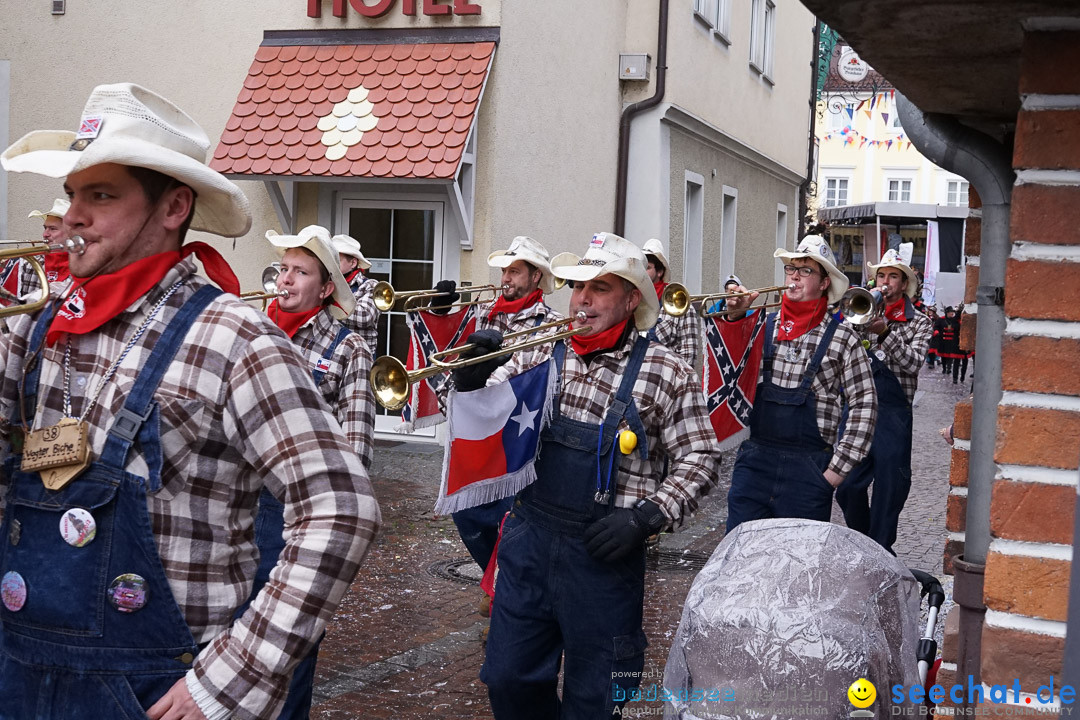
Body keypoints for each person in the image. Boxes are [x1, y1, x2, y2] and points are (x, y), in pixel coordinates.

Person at [0, 83, 380, 720]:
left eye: (101, 195)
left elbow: (340, 509)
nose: (71, 218)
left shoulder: (234, 336)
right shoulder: (31, 327)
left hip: (154, 690)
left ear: (174, 206)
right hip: (19, 670)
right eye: (71, 194)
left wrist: (227, 683)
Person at [460, 232, 721, 718]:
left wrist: (646, 517)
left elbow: (701, 457)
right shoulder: (539, 352)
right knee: (507, 678)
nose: (582, 299)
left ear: (631, 298)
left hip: (605, 558)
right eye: (579, 287)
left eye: (600, 288)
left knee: (598, 698)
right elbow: (486, 417)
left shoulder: (668, 371)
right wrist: (471, 381)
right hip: (528, 546)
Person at [237, 224, 375, 719]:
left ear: (325, 288)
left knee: (288, 641)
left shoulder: (349, 349)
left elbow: (355, 454)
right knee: (224, 626)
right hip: (235, 498)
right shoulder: (249, 330)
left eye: (301, 271)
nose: (286, 280)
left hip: (292, 508)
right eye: (284, 268)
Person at [724, 235, 877, 531]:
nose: (794, 276)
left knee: (797, 569)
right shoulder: (762, 324)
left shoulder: (843, 337)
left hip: (809, 470)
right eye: (791, 268)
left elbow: (864, 404)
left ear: (824, 283)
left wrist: (835, 472)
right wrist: (735, 315)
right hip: (755, 464)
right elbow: (728, 367)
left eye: (806, 270)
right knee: (740, 560)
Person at [446, 236, 563, 612]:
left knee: (509, 518)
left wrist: (487, 377)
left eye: (515, 271)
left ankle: (503, 594)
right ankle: (495, 580)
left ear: (535, 277)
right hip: (483, 428)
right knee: (467, 513)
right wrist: (440, 311)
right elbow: (451, 354)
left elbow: (528, 370)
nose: (505, 277)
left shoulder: (551, 323)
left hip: (521, 436)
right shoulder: (484, 313)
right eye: (504, 270)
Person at [835, 246, 934, 555]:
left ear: (904, 284)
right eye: (881, 276)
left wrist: (885, 333)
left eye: (893, 277)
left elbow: (914, 362)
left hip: (894, 413)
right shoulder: (859, 311)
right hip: (858, 409)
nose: (886, 282)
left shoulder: (919, 322)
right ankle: (865, 540)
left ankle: (879, 547)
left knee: (889, 490)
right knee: (848, 485)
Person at [642, 237, 702, 368]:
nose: (642, 271)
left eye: (647, 267)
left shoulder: (680, 302)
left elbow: (689, 355)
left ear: (659, 272)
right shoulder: (634, 299)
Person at [333, 233, 380, 353]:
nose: (332, 264)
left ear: (353, 263)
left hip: (359, 355)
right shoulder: (326, 283)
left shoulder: (370, 285)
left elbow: (364, 317)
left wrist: (328, 302)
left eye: (336, 259)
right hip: (331, 351)